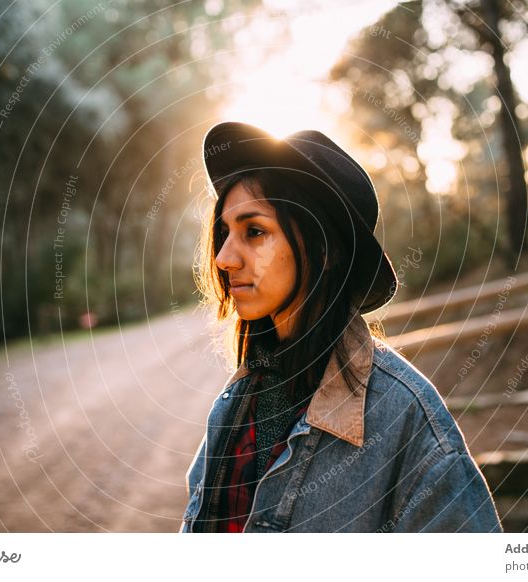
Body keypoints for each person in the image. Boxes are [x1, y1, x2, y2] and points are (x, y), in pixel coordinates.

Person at [180, 121, 502, 533]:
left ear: (324, 248)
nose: (224, 258)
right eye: (224, 232)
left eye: (254, 231)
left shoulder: (403, 416)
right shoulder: (236, 402)